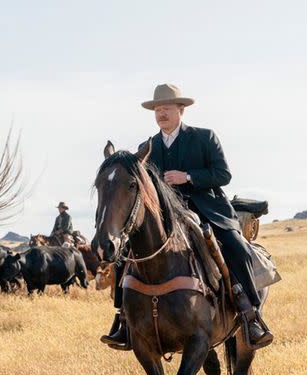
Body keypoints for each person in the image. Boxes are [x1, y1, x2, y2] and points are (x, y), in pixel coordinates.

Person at [101, 83, 274, 349]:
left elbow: (223, 175)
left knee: (237, 248)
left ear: (180, 110)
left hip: (208, 211)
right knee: (125, 257)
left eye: (167, 108)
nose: (161, 114)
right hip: (166, 217)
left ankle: (250, 315)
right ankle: (122, 321)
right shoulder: (147, 148)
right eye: (157, 110)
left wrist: (188, 177)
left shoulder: (204, 137)